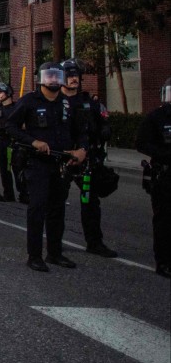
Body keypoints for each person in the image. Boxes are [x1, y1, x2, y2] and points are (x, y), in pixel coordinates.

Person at [4, 63, 87, 272]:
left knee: (57, 209)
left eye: (57, 76)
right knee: (37, 208)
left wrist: (82, 149)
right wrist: (32, 142)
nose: (53, 80)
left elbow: (80, 130)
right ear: (40, 78)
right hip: (37, 162)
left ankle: (55, 253)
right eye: (49, 76)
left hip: (61, 164)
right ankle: (34, 255)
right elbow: (10, 126)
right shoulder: (29, 102)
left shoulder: (66, 104)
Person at [60, 59, 118, 258]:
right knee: (58, 201)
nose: (73, 78)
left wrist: (105, 129)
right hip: (64, 160)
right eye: (69, 75)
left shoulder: (90, 103)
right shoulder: (55, 102)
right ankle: (54, 242)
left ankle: (94, 242)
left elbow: (104, 124)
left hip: (88, 160)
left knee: (91, 202)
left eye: (75, 75)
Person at [137, 78, 171, 278]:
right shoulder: (156, 117)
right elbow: (141, 143)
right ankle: (164, 261)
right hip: (164, 175)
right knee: (164, 220)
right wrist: (163, 154)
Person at [0, 82, 23, 202]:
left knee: (18, 169)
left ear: (8, 93)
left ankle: (24, 194)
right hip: (1, 143)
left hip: (14, 143)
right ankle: (8, 194)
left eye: (0, 93)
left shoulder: (18, 108)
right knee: (4, 171)